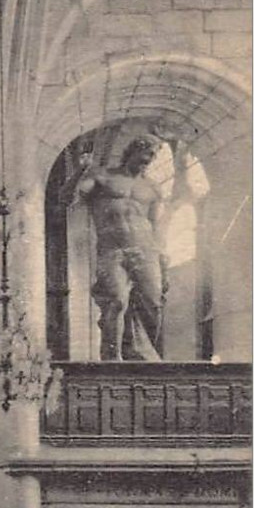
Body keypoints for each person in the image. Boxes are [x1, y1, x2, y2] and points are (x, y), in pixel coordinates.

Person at [74, 135, 167, 360]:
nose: (149, 160)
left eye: (153, 156)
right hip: (112, 250)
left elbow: (156, 225)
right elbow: (68, 197)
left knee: (153, 305)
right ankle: (112, 360)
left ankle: (140, 354)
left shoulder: (152, 187)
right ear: (132, 152)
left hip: (146, 250)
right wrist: (80, 172)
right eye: (145, 154)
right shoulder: (102, 176)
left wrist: (162, 257)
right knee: (115, 301)